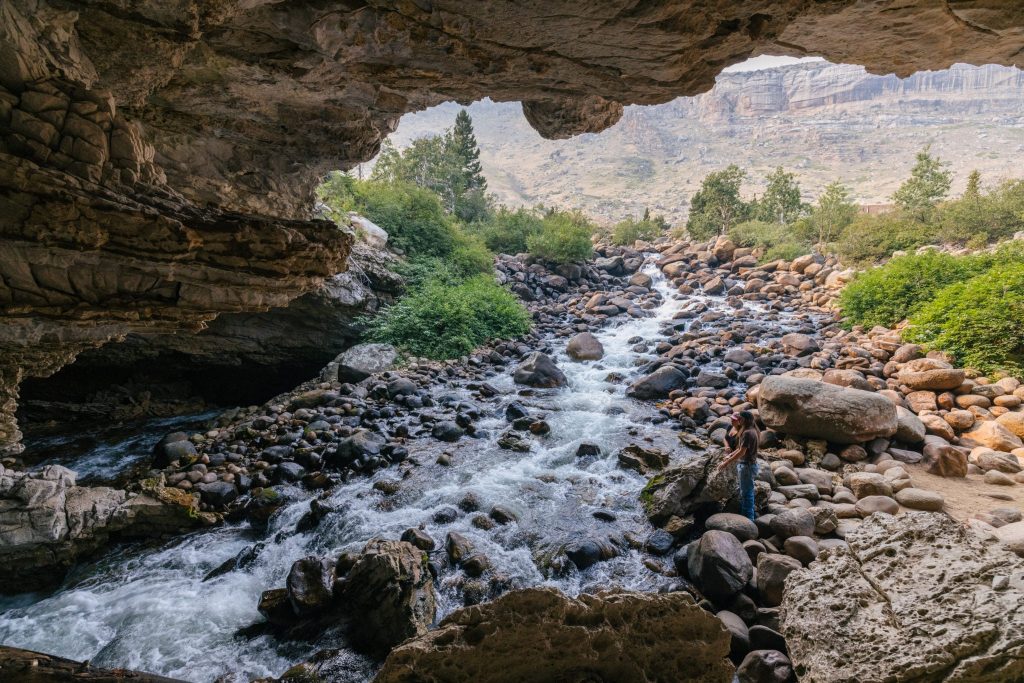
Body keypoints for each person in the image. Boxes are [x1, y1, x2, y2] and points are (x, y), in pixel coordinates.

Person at [714, 410, 761, 521]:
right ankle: (749, 516)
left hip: (747, 466)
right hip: (749, 465)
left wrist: (726, 462)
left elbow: (742, 452)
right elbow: (740, 449)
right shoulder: (752, 430)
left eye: (739, 418)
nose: (737, 420)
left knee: (747, 494)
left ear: (744, 420)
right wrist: (729, 455)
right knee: (746, 492)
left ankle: (749, 520)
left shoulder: (747, 433)